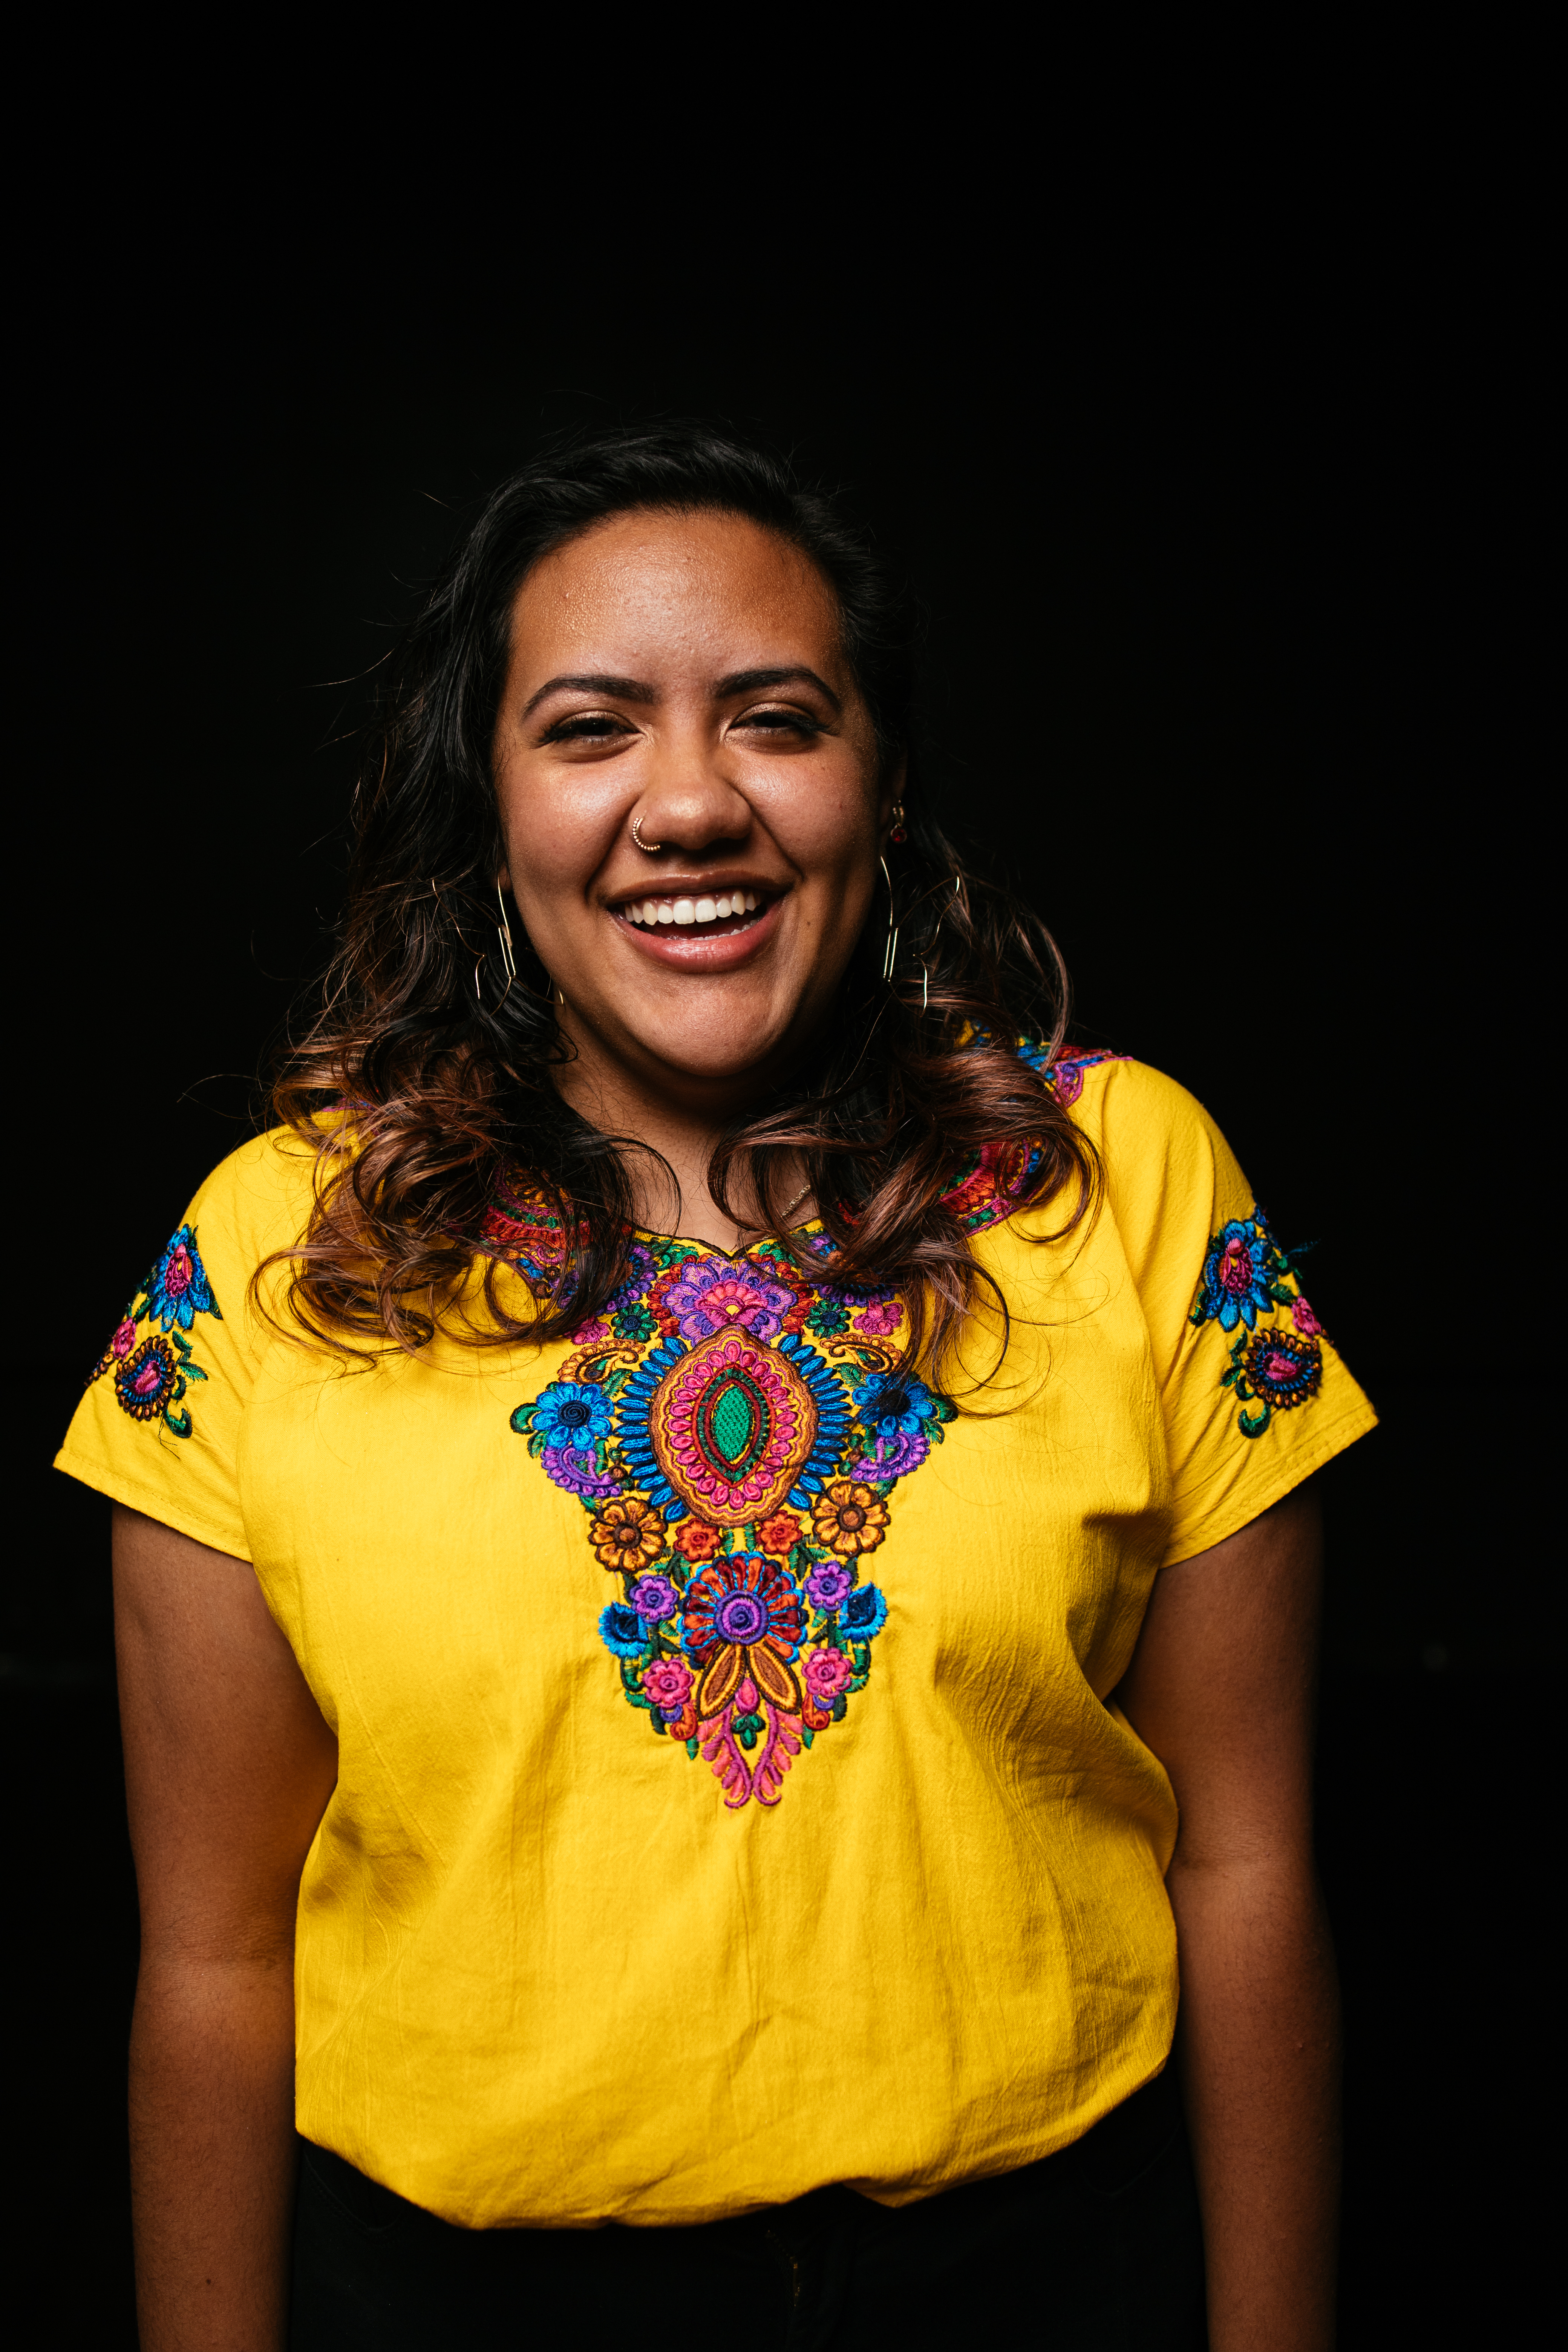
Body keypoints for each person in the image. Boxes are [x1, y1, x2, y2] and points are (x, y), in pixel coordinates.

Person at [58, 427, 1374, 2350]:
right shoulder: (281, 1252)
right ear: (490, 810)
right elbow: (208, 1958)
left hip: (1037, 2287)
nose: (689, 805)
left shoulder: (1128, 1180)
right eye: (590, 728)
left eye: (774, 718)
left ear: (884, 782)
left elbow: (1248, 1868)